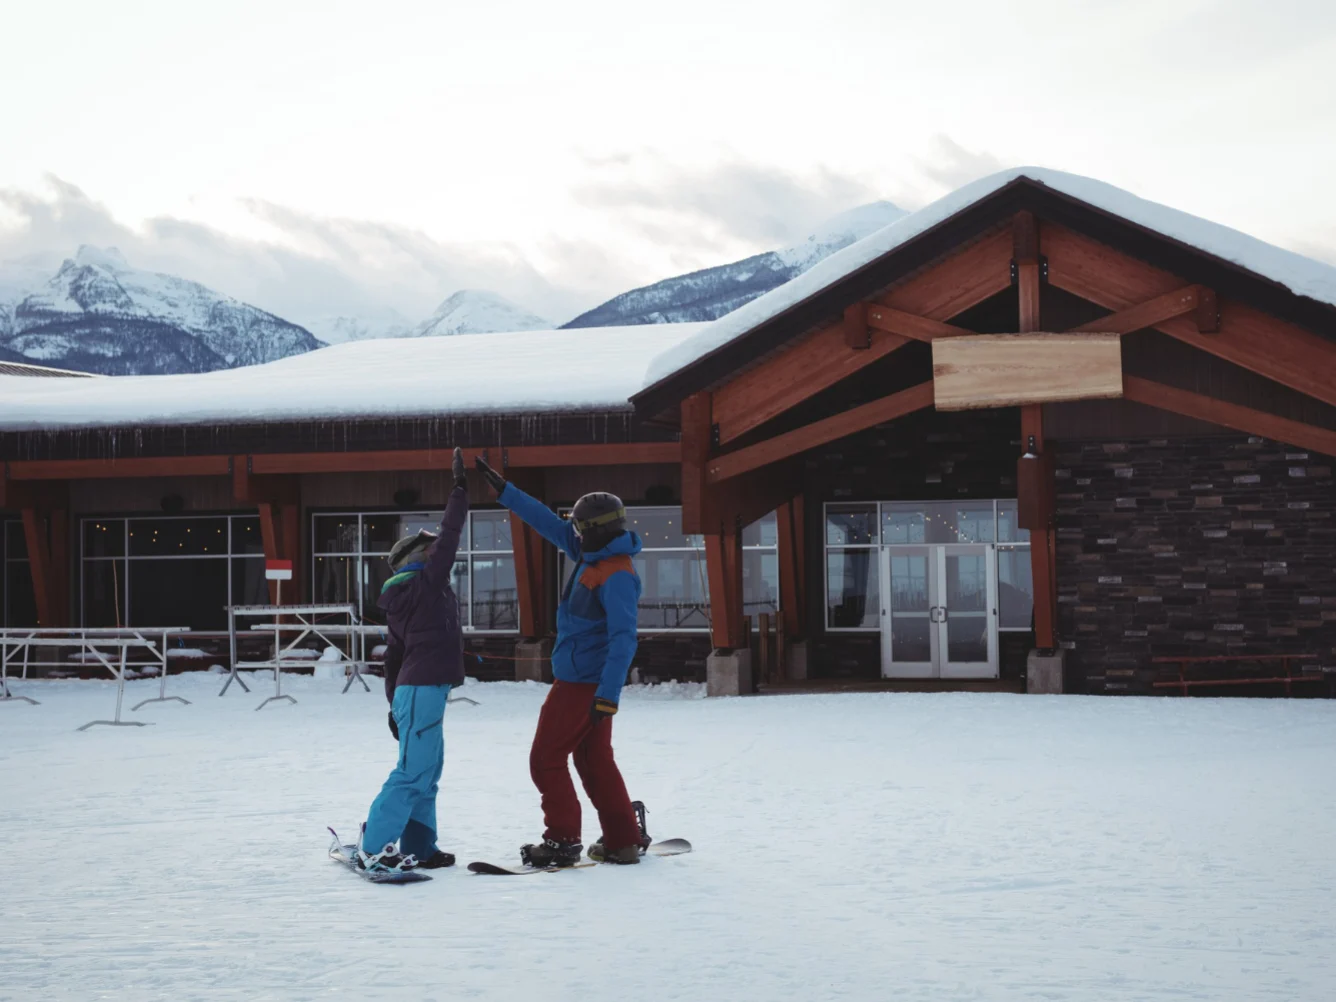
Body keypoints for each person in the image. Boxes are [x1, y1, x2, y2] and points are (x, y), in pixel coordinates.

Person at [474, 455, 650, 866]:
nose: (570, 531)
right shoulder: (591, 552)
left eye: (577, 526)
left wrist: (607, 696)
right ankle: (622, 839)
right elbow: (547, 524)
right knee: (593, 760)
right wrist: (506, 492)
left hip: (584, 683)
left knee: (545, 759)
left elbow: (624, 639)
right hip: (581, 678)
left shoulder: (617, 573)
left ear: (594, 530)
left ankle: (562, 839)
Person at [356, 447, 468, 874]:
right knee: (412, 774)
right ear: (418, 561)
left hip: (417, 692)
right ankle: (375, 845)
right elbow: (451, 536)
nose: (436, 549)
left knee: (427, 772)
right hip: (421, 691)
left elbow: (394, 658)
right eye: (428, 548)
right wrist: (458, 492)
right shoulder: (424, 584)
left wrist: (393, 707)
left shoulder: (409, 595)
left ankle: (420, 846)